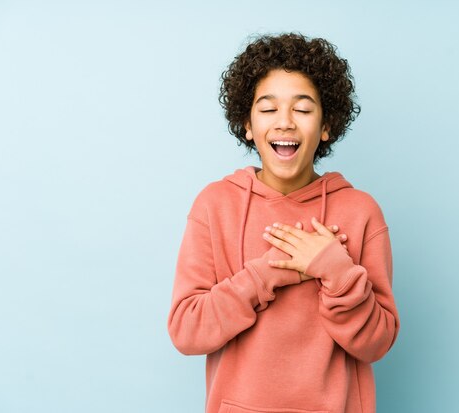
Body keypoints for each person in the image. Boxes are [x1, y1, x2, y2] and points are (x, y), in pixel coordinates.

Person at [167, 32, 399, 413]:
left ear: (326, 127)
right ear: (247, 123)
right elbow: (187, 331)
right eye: (268, 108)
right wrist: (263, 276)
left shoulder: (361, 213)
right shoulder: (215, 205)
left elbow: (377, 343)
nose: (286, 122)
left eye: (303, 110)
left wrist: (338, 274)